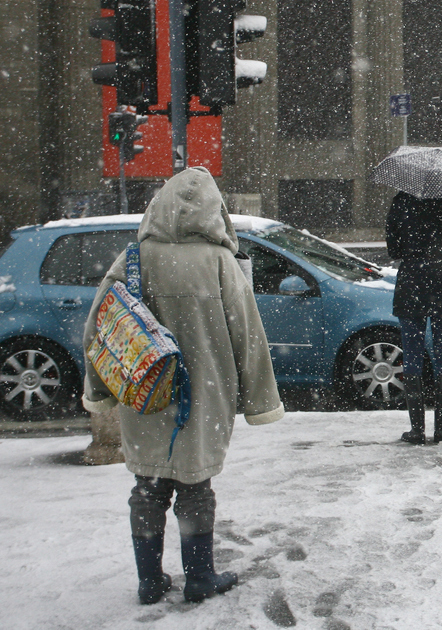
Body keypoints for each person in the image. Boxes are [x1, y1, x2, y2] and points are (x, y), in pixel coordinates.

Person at [81, 166, 284, 605]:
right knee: (195, 487)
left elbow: (100, 330)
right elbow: (248, 336)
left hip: (146, 393)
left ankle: (150, 581)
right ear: (216, 214)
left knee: (148, 487)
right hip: (204, 395)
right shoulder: (220, 264)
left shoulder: (133, 258)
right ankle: (199, 577)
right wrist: (259, 402)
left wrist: (99, 392)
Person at [386, 192, 442, 445]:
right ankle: (441, 429)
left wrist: (414, 249)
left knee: (412, 354)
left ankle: (416, 430)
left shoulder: (401, 202)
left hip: (411, 284)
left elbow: (393, 249)